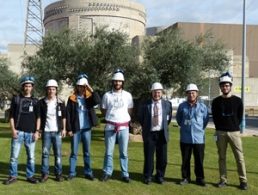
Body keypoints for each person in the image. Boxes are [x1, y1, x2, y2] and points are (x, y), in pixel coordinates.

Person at [212, 72, 248, 190]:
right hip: (220, 133)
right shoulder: (216, 101)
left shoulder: (238, 101)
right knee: (221, 157)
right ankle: (223, 180)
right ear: (220, 87)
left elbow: (239, 116)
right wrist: (219, 129)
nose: (225, 87)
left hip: (234, 133)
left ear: (230, 86)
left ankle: (243, 181)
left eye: (227, 85)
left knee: (239, 157)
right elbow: (215, 117)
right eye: (223, 85)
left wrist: (233, 127)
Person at [3, 76, 40, 185]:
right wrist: (13, 130)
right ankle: (13, 176)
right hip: (18, 132)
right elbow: (11, 117)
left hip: (31, 133)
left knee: (31, 157)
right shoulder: (16, 99)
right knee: (14, 157)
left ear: (32, 87)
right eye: (26, 86)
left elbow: (38, 117)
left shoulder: (35, 101)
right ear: (23, 87)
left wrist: (37, 132)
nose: (27, 88)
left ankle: (30, 176)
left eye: (29, 86)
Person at [100, 69, 133, 183]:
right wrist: (111, 119)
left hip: (124, 127)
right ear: (113, 82)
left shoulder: (128, 95)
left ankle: (125, 173)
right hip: (110, 127)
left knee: (123, 152)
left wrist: (122, 119)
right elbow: (103, 110)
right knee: (109, 152)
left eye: (119, 81)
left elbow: (130, 110)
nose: (117, 83)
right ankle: (107, 172)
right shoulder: (107, 95)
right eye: (115, 81)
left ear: (122, 82)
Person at [66, 74, 101, 181]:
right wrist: (69, 129)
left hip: (86, 129)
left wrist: (91, 88)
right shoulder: (72, 98)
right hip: (76, 129)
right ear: (77, 87)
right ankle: (72, 172)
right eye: (79, 86)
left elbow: (98, 100)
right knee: (74, 152)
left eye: (83, 86)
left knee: (87, 152)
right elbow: (68, 115)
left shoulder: (89, 97)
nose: (81, 88)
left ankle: (88, 172)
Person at [138, 82, 172, 185]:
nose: (156, 94)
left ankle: (160, 176)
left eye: (158, 92)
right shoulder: (145, 104)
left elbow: (168, 119)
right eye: (154, 92)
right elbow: (141, 118)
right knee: (148, 157)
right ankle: (148, 176)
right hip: (150, 134)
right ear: (151, 93)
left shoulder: (167, 104)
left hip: (162, 133)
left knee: (162, 158)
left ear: (161, 92)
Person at [176, 84, 209, 186]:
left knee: (199, 159)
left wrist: (198, 129)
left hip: (199, 138)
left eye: (193, 93)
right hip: (185, 138)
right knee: (185, 159)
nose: (191, 94)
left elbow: (205, 120)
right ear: (186, 94)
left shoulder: (203, 107)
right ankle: (186, 178)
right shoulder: (182, 106)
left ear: (197, 94)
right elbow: (179, 119)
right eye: (189, 93)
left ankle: (200, 178)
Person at [37, 79, 66, 182]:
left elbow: (63, 117)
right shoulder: (41, 102)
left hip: (57, 131)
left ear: (56, 90)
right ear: (46, 90)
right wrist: (38, 130)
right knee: (45, 154)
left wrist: (64, 129)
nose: (51, 91)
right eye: (49, 89)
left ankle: (58, 174)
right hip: (46, 132)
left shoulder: (61, 102)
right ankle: (45, 174)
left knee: (58, 154)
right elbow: (39, 117)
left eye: (53, 89)